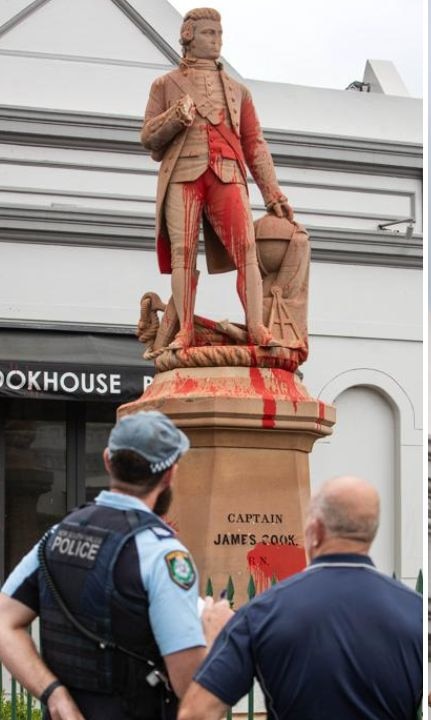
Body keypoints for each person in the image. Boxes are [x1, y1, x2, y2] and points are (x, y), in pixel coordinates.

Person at [0, 411, 230, 720]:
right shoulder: (162, 555)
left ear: (107, 460)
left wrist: (54, 693)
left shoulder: (57, 535)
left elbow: (4, 621)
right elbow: (191, 692)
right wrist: (215, 632)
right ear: (170, 475)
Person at [177, 476, 423, 720]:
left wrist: (212, 646)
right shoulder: (415, 611)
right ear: (371, 533)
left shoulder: (264, 611)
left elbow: (197, 713)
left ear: (315, 530)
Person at [140, 7, 294, 350]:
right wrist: (175, 117)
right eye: (209, 33)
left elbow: (254, 143)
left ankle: (256, 327)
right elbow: (148, 137)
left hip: (227, 172)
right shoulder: (164, 85)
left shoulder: (239, 91)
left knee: (248, 251)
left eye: (219, 34)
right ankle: (185, 332)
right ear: (189, 36)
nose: (216, 40)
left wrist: (272, 193)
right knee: (182, 253)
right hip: (183, 174)